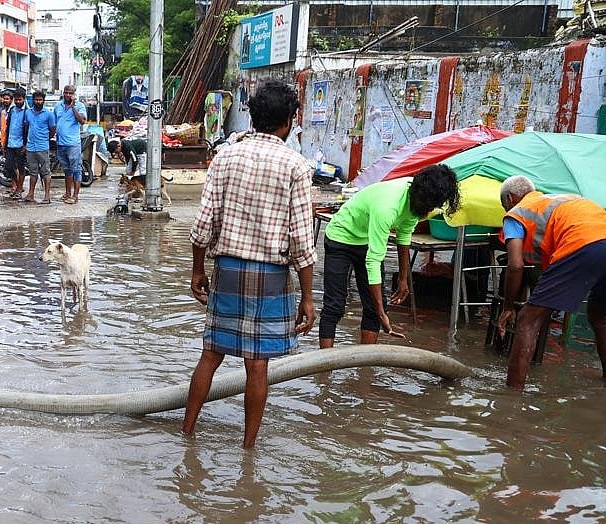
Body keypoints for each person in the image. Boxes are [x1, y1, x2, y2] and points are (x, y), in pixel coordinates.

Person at [182, 80, 316, 449]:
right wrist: (307, 297)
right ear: (288, 121)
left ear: (252, 117)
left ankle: (187, 433)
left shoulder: (225, 157)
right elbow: (301, 240)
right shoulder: (296, 165)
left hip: (228, 269)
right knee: (257, 365)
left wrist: (197, 270)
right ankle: (248, 450)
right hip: (271, 275)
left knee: (211, 354)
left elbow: (202, 225)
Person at [496, 176, 606, 390]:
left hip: (584, 242)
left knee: (527, 319)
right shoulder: (561, 199)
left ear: (510, 198)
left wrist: (507, 306)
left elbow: (515, 265)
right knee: (600, 317)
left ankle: (511, 396)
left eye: (504, 205)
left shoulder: (516, 213)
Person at [318, 165, 461, 346]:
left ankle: (366, 361)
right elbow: (373, 260)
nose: (431, 209)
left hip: (366, 239)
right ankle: (326, 361)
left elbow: (404, 235)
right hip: (340, 236)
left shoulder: (420, 201)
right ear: (421, 197)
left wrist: (403, 278)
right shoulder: (388, 206)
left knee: (373, 307)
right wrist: (381, 312)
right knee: (335, 305)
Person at [54, 85, 87, 204]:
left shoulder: (80, 106)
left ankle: (75, 195)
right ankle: (67, 193)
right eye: (66, 92)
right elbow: (55, 123)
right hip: (60, 143)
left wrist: (73, 107)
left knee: (76, 170)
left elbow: (82, 121)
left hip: (73, 144)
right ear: (63, 93)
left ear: (74, 94)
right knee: (67, 170)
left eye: (70, 93)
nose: (68, 95)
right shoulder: (58, 106)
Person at [22, 90, 56, 204]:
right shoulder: (28, 113)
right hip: (31, 147)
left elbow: (52, 130)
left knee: (46, 172)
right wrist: (26, 144)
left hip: (43, 147)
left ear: (43, 101)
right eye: (36, 99)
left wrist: (45, 139)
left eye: (40, 100)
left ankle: (47, 196)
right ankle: (30, 194)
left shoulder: (49, 114)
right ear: (33, 100)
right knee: (33, 172)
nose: (38, 102)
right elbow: (26, 127)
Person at [3, 88, 28, 199]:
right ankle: (17, 185)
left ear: (24, 99)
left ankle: (19, 189)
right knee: (9, 167)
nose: (18, 102)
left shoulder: (27, 112)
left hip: (21, 144)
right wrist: (5, 143)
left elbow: (29, 130)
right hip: (10, 143)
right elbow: (8, 128)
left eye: (20, 100)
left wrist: (25, 145)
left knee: (21, 168)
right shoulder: (12, 110)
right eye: (16, 100)